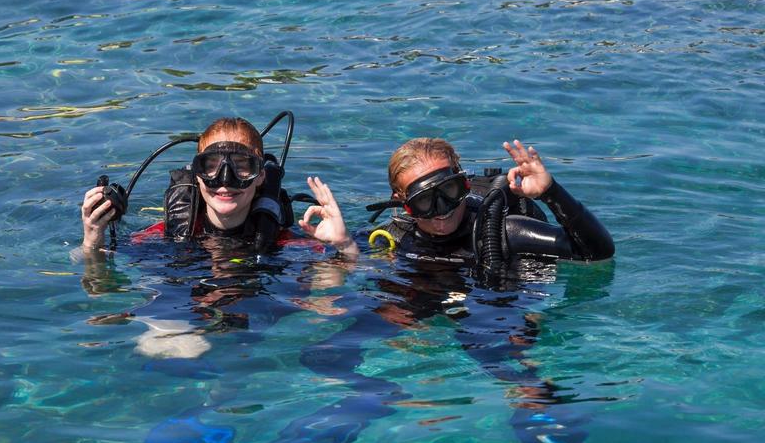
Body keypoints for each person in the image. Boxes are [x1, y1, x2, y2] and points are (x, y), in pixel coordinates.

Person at [80, 116, 358, 258]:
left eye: (242, 166)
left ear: (261, 176)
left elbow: (326, 300)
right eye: (211, 166)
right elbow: (95, 277)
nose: (225, 180)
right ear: (197, 175)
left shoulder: (288, 243)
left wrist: (345, 245)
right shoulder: (163, 236)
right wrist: (93, 238)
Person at [368, 138, 613, 268]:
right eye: (424, 201)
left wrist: (551, 192)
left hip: (501, 300)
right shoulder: (392, 237)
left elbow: (597, 253)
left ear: (464, 183)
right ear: (402, 203)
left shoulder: (501, 231)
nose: (442, 209)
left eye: (449, 190)